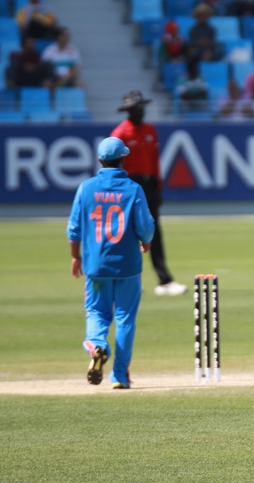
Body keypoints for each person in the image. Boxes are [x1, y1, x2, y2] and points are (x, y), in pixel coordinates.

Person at [67, 137, 155, 389]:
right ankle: (119, 376)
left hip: (95, 266)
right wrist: (146, 243)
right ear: (124, 158)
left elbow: (74, 229)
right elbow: (146, 227)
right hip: (128, 265)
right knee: (125, 318)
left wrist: (76, 256)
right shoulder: (133, 188)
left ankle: (98, 346)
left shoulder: (86, 188)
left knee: (96, 312)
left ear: (99, 160)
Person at [111, 90, 188, 297]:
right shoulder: (120, 134)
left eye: (143, 107)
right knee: (126, 234)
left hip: (148, 185)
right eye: (137, 108)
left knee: (153, 232)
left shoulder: (150, 130)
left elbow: (154, 161)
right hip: (128, 186)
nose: (141, 112)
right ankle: (126, 278)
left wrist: (158, 187)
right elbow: (113, 166)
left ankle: (164, 280)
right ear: (129, 110)